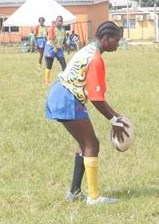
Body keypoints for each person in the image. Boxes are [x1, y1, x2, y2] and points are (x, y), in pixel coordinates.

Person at [45, 21, 128, 205]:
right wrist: (115, 120)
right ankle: (94, 197)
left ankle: (74, 192)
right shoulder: (96, 58)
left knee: (84, 144)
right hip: (68, 98)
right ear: (106, 39)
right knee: (92, 144)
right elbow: (97, 98)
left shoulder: (89, 49)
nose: (118, 44)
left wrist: (116, 118)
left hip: (60, 93)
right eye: (116, 40)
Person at [44, 15, 67, 85]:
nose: (60, 22)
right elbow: (50, 39)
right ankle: (47, 81)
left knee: (63, 64)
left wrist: (67, 47)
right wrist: (54, 47)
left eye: (61, 21)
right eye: (59, 21)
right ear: (56, 21)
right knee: (49, 65)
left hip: (59, 48)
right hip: (50, 48)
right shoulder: (52, 28)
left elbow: (64, 39)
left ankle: (65, 79)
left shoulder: (63, 29)